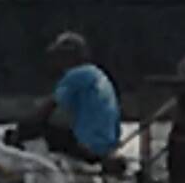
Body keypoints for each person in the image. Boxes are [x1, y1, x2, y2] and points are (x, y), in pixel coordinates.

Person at [10, 29, 122, 163]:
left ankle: (14, 168)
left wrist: (18, 132)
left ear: (69, 56)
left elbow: (45, 111)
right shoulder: (98, 74)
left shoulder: (75, 76)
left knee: (37, 128)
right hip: (106, 147)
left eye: (58, 56)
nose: (56, 61)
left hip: (87, 147)